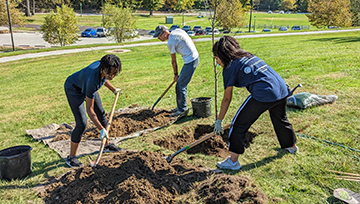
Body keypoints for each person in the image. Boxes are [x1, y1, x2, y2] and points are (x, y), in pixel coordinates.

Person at [212, 36, 298, 170]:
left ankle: (233, 162)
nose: (217, 63)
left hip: (265, 92)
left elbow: (227, 99)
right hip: (281, 88)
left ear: (221, 55)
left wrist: (219, 120)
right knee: (280, 118)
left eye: (216, 59)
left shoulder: (229, 67)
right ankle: (290, 146)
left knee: (238, 124)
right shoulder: (247, 55)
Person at [64, 54, 122, 167]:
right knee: (82, 123)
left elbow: (104, 78)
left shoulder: (104, 68)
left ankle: (106, 145)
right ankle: (71, 157)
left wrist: (114, 89)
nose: (112, 76)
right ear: (103, 69)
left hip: (87, 85)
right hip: (74, 89)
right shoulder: (92, 81)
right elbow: (90, 110)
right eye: (110, 73)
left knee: (101, 113)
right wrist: (101, 129)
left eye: (115, 74)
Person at [153, 25, 199, 117]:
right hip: (193, 58)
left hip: (191, 61)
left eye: (159, 36)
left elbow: (174, 61)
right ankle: (180, 107)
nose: (158, 38)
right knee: (180, 85)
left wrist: (176, 75)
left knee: (180, 86)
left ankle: (182, 110)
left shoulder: (170, 42)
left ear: (165, 33)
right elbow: (191, 41)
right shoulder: (177, 31)